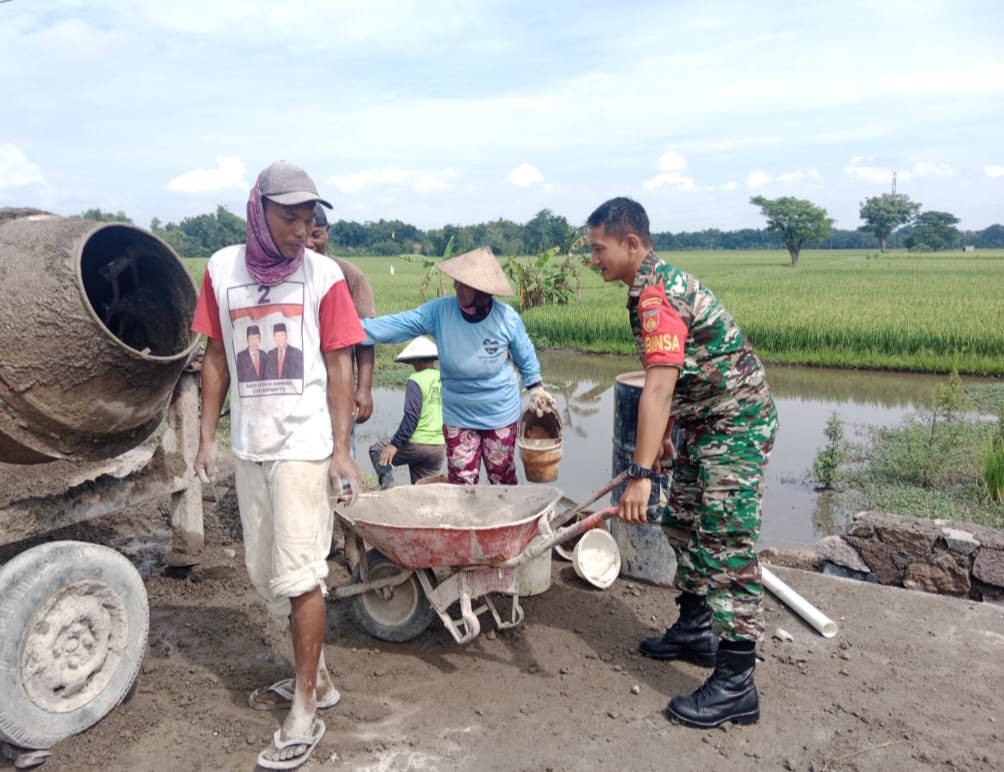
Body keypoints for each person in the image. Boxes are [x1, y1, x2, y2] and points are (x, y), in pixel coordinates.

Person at [191, 160, 364, 769]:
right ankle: (321, 677)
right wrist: (210, 437)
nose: (302, 227)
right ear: (258, 210)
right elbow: (216, 355)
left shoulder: (323, 277)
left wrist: (342, 449)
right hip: (250, 443)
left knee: (299, 574)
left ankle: (307, 706)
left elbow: (340, 365)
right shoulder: (220, 269)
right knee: (265, 572)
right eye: (289, 214)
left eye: (309, 216)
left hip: (303, 444)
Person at [586, 197, 778, 730]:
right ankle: (696, 628)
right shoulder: (649, 287)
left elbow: (659, 385)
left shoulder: (656, 295)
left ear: (631, 244)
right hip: (704, 424)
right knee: (684, 523)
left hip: (734, 426)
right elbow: (681, 374)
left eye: (598, 249)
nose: (592, 259)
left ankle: (737, 683)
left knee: (725, 542)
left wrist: (642, 473)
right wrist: (667, 437)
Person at [361, 247, 556, 485]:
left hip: (499, 412)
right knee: (462, 481)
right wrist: (353, 330)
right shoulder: (440, 312)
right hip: (458, 414)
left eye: (464, 285)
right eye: (456, 282)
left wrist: (536, 387)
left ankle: (505, 521)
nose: (456, 287)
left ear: (483, 292)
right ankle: (468, 523)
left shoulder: (507, 318)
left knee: (501, 475)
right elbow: (401, 324)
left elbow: (525, 356)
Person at [368, 335, 446, 487]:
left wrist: (395, 444)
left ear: (416, 360)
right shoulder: (443, 378)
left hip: (418, 443)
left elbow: (411, 416)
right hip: (438, 448)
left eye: (412, 362)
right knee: (423, 490)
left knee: (377, 450)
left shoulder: (416, 379)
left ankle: (388, 490)